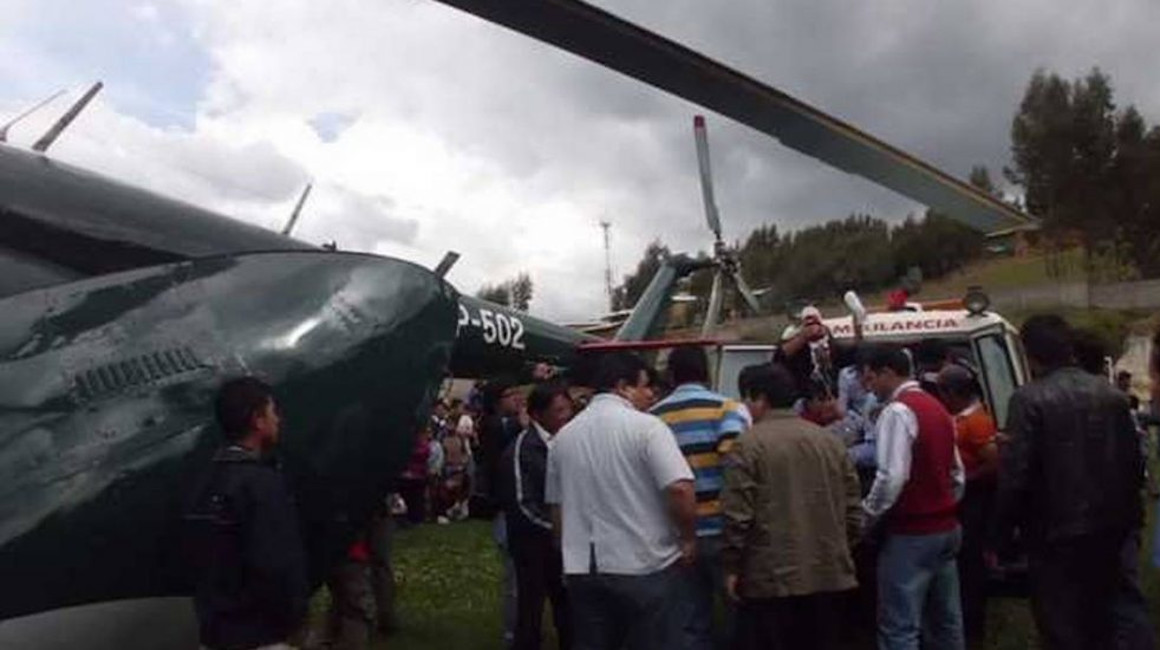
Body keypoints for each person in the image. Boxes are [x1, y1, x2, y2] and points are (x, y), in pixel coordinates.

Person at [992, 315, 1144, 650]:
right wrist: (1133, 522)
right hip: (1110, 528)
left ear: (1029, 355)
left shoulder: (1028, 400)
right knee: (1101, 621)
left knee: (1061, 626)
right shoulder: (1112, 396)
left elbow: (1015, 477)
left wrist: (1001, 536)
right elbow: (1133, 465)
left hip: (1053, 533)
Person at [546, 352, 697, 650]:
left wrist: (566, 551)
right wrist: (689, 537)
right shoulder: (648, 428)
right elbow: (680, 488)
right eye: (644, 386)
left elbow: (558, 511)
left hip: (584, 567)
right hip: (643, 562)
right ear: (622, 387)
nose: (651, 394)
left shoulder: (563, 438)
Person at [721, 362, 862, 650]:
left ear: (759, 398)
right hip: (828, 570)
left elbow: (738, 515)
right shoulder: (829, 441)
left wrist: (732, 566)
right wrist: (843, 547)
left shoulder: (748, 446)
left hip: (771, 577)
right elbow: (853, 505)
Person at [184, 377, 308, 650]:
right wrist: (293, 614)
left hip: (215, 633)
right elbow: (276, 563)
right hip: (257, 634)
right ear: (258, 420)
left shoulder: (204, 482)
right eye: (273, 412)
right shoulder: (262, 484)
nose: (279, 420)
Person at [860, 346, 965, 650]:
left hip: (911, 532)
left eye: (871, 379)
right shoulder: (937, 408)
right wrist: (945, 505)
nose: (869, 387)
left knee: (900, 626)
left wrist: (866, 517)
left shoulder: (897, 411)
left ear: (887, 373)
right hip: (946, 527)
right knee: (946, 620)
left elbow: (891, 477)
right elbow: (956, 473)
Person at [650, 346, 751, 649]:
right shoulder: (726, 409)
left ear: (671, 375)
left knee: (690, 620)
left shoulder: (654, 418)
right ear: (706, 372)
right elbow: (739, 472)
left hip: (679, 535)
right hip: (724, 530)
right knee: (739, 612)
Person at [498, 381, 575, 650]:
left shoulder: (570, 441)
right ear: (538, 415)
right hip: (533, 546)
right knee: (530, 609)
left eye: (568, 409)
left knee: (568, 608)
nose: (566, 416)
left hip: (564, 542)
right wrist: (557, 529)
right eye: (559, 410)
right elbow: (522, 503)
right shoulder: (522, 449)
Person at [935, 365, 997, 649]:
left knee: (971, 564)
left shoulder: (976, 422)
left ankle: (973, 627)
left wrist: (964, 479)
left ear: (953, 393)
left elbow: (994, 462)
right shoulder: (959, 417)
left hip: (973, 500)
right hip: (961, 497)